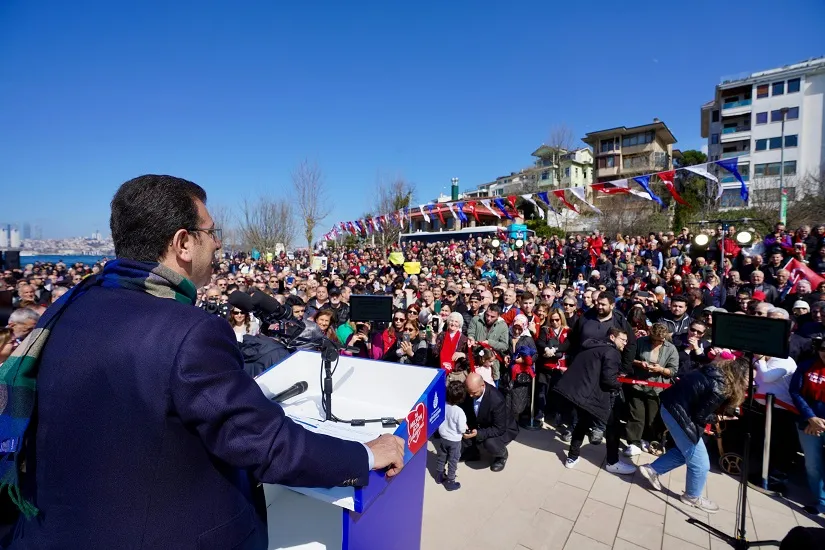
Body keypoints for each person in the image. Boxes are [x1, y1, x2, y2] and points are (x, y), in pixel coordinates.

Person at [0, 175, 405, 549]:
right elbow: (266, 445)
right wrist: (365, 454)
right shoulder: (189, 332)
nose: (218, 244)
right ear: (182, 243)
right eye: (212, 232)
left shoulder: (72, 308)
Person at [638, 359, 750, 513]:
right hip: (679, 414)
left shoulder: (713, 372)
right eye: (749, 378)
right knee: (701, 463)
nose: (750, 383)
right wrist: (720, 418)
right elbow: (700, 416)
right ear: (739, 375)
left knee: (685, 452)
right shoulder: (721, 387)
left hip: (671, 407)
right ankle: (692, 497)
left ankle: (653, 470)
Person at [554, 327, 634, 474]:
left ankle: (572, 457)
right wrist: (621, 383)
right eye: (623, 340)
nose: (625, 344)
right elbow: (608, 380)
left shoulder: (592, 346)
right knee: (613, 427)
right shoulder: (612, 352)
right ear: (612, 337)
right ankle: (612, 462)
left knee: (582, 423)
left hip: (580, 392)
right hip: (593, 395)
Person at [625, 323, 678, 457]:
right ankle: (633, 443)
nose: (655, 343)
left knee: (652, 418)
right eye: (653, 340)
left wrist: (660, 369)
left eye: (658, 341)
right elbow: (629, 358)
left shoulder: (671, 349)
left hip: (657, 388)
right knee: (636, 415)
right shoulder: (641, 342)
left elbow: (673, 371)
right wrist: (639, 363)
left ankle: (648, 439)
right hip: (638, 385)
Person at [789, 337, 825, 515]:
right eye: (823, 348)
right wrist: (811, 417)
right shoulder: (806, 366)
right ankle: (821, 501)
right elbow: (795, 392)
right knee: (813, 464)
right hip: (808, 423)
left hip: (820, 424)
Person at [460, 372, 518, 472]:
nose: (470, 395)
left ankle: (501, 455)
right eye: (469, 391)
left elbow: (499, 428)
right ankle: (472, 451)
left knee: (490, 442)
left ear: (482, 385)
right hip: (481, 422)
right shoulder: (471, 392)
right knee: (463, 426)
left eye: (474, 392)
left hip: (502, 428)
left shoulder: (496, 399)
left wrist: (479, 433)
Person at [434, 380, 468, 491]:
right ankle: (450, 481)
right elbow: (462, 428)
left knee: (442, 457)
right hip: (455, 441)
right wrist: (466, 429)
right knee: (453, 461)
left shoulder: (444, 406)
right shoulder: (459, 412)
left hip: (443, 437)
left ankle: (439, 475)